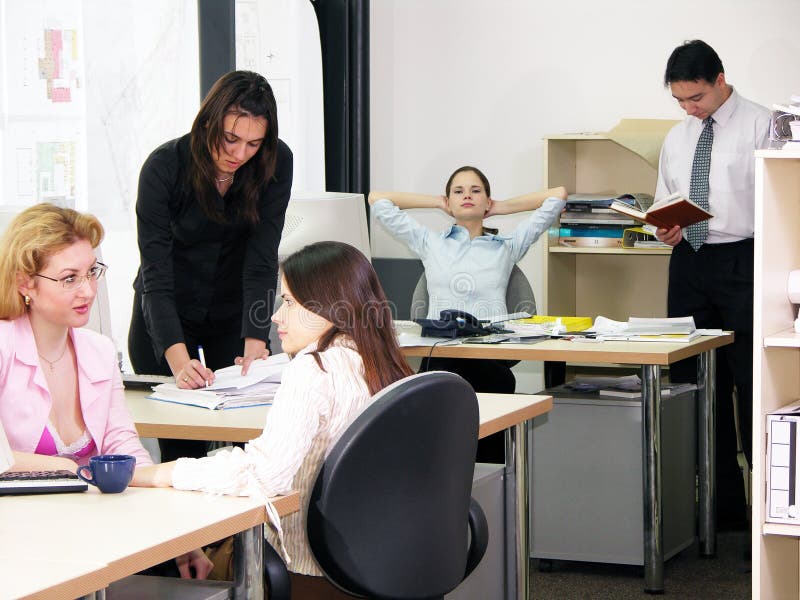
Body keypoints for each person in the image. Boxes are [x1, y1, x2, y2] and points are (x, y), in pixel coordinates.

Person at [132, 241, 415, 598]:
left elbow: (265, 476)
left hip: (311, 572)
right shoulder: (384, 362)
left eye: (289, 302)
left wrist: (162, 472)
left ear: (329, 307)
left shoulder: (314, 369)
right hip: (380, 562)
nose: (276, 316)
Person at [0, 202, 212, 579]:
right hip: (18, 544)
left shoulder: (96, 351)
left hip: (87, 533)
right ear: (24, 283)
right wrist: (66, 468)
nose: (87, 290)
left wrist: (177, 532)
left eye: (91, 273)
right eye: (69, 278)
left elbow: (124, 448)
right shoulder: (3, 347)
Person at [128, 70, 293, 462]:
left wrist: (256, 338)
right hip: (166, 311)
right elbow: (156, 274)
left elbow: (261, 258)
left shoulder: (275, 162)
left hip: (231, 311)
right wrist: (178, 358)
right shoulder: (164, 168)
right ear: (207, 123)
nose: (239, 154)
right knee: (183, 449)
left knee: (243, 443)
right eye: (230, 139)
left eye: (253, 143)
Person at [369, 167, 566, 461]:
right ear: (449, 201)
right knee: (439, 450)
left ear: (487, 200)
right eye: (458, 191)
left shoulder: (507, 247)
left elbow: (557, 197)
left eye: (476, 191)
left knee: (487, 444)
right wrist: (437, 203)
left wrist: (500, 208)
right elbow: (378, 199)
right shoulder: (430, 243)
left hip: (489, 359)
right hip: (442, 358)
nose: (467, 196)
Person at [654, 40, 771, 531]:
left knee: (750, 382)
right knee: (697, 382)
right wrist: (665, 227)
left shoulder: (764, 125)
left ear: (720, 79)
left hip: (744, 261)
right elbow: (666, 200)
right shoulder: (678, 137)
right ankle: (720, 509)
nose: (689, 108)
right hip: (690, 264)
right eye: (680, 100)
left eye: (696, 97)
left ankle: (765, 506)